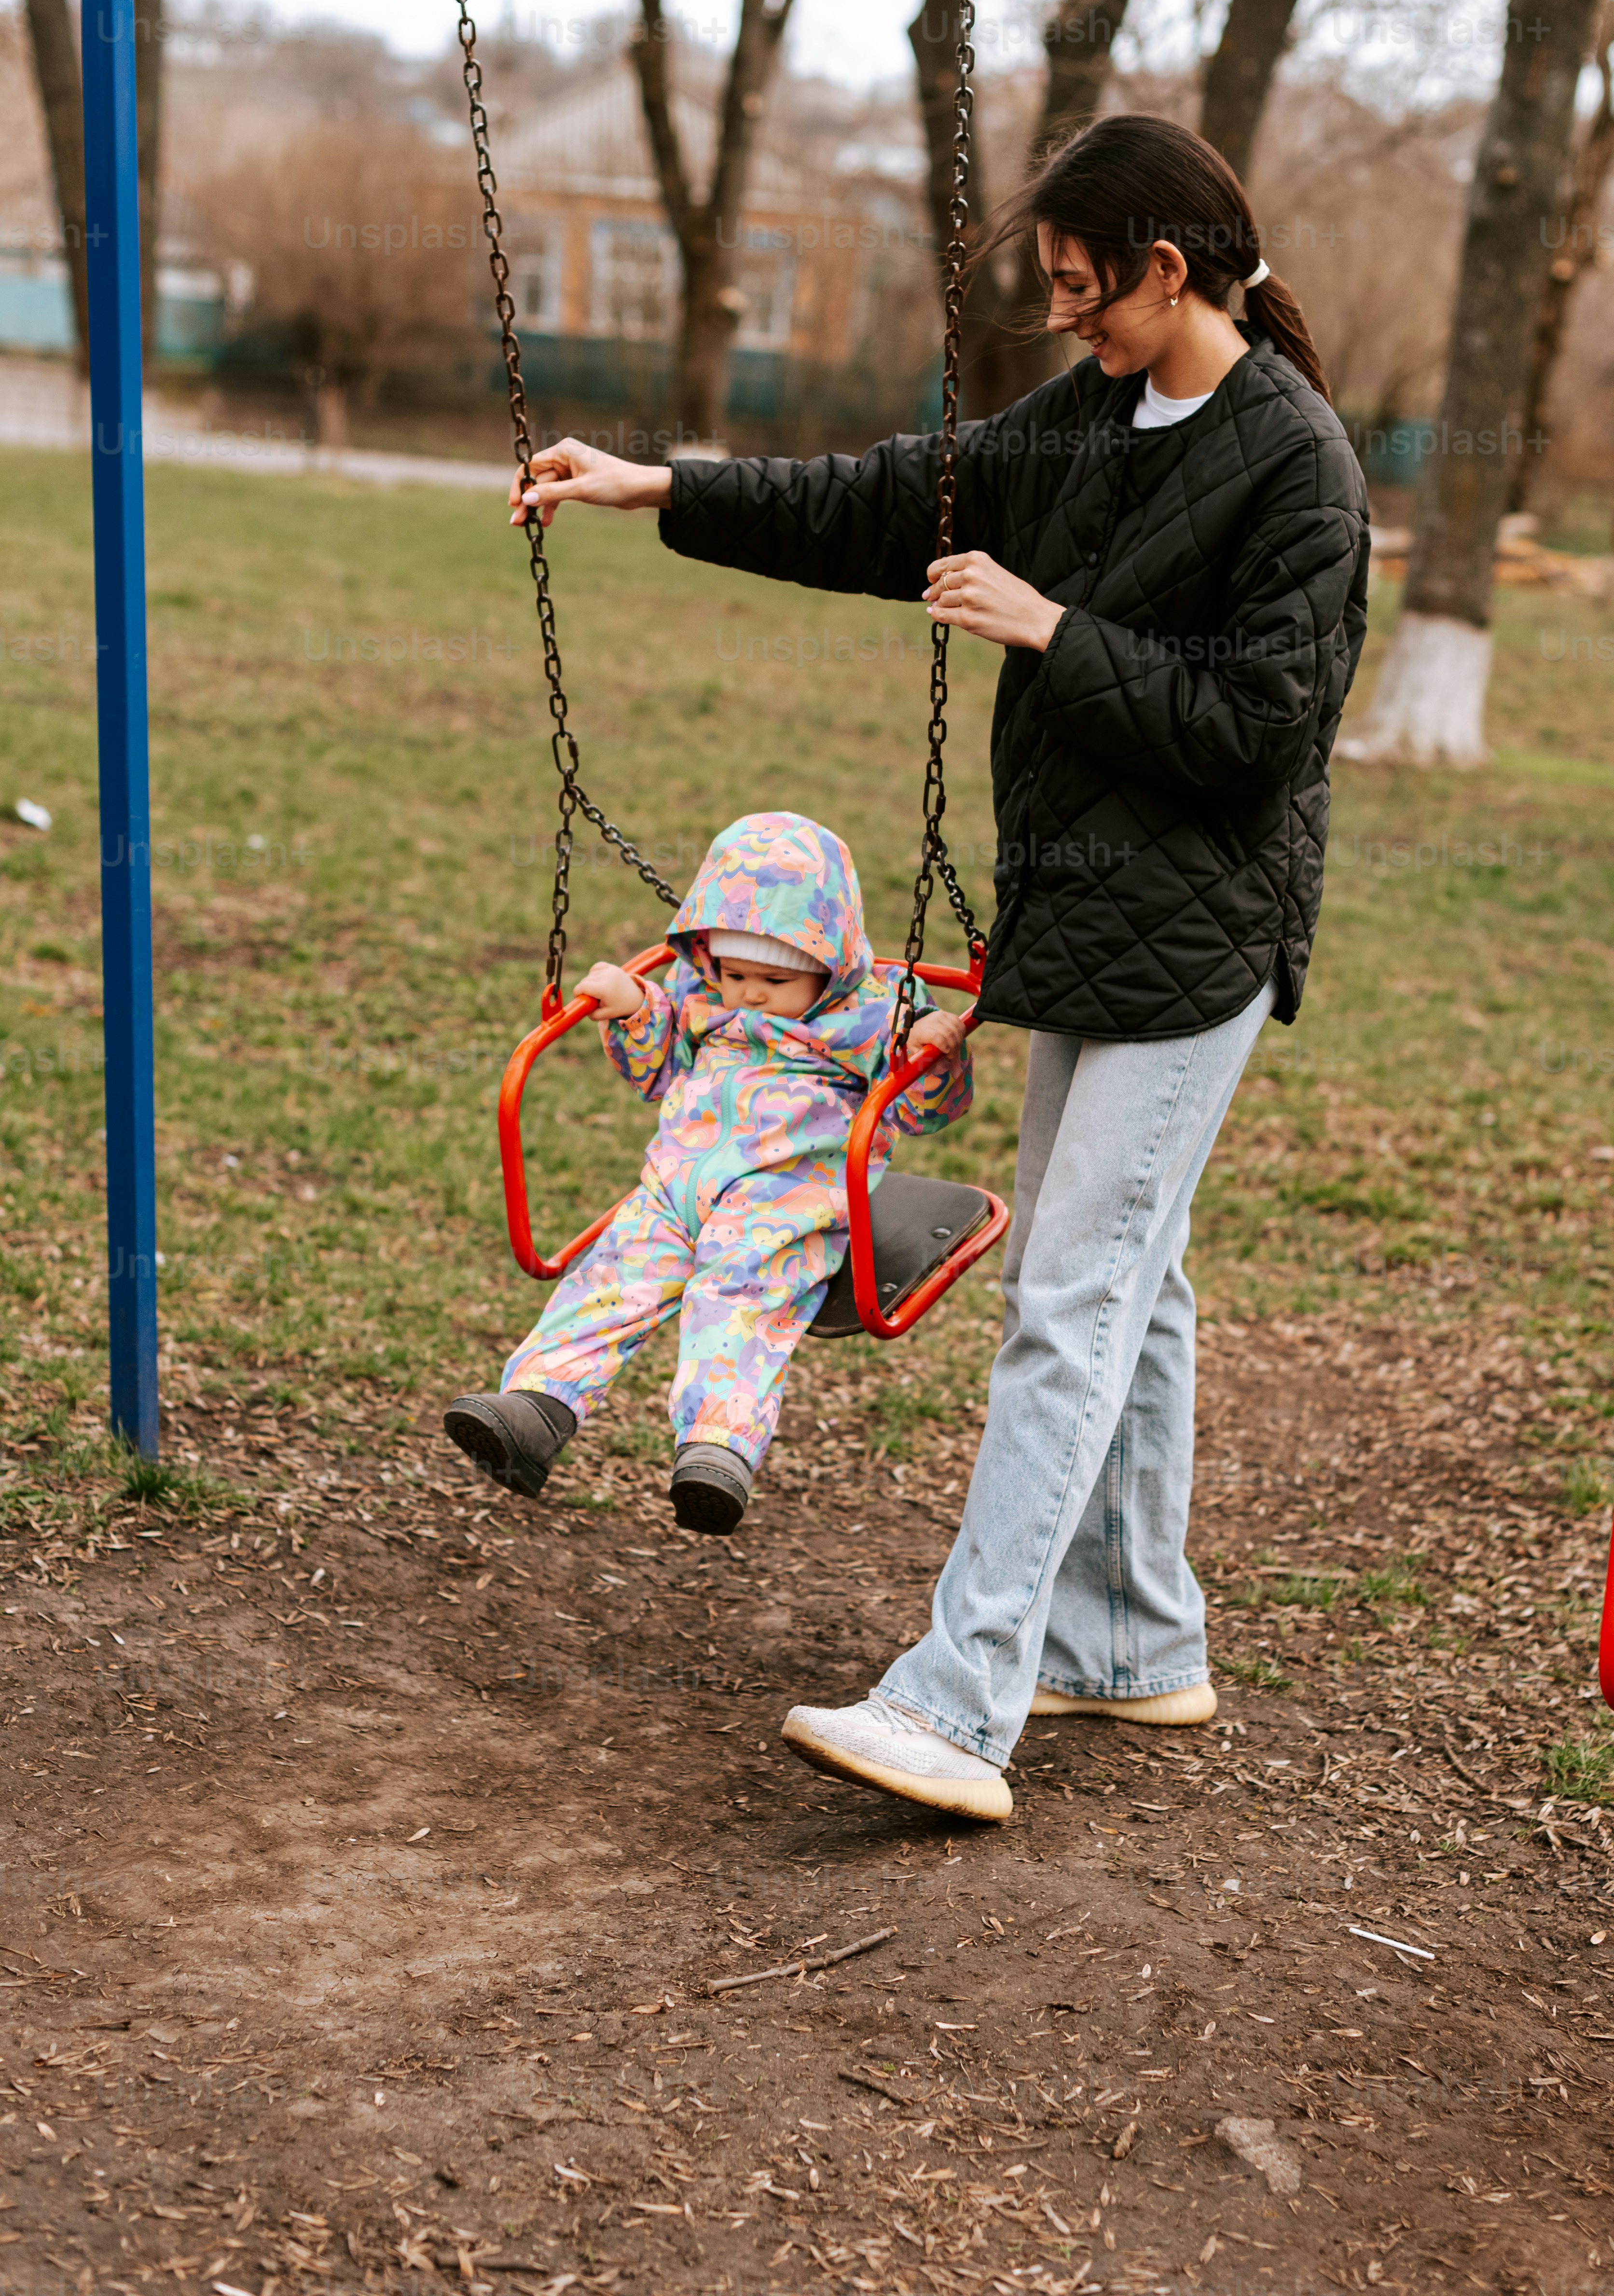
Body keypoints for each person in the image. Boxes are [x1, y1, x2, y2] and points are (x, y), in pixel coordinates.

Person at [501, 113, 1368, 1823]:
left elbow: (1265, 729)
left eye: (1082, 291)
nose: (1067, 323)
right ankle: (1132, 1639)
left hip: (1198, 941)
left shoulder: (1295, 462)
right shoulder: (1103, 414)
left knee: (1068, 1302)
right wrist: (659, 485)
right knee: (1134, 1282)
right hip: (1090, 929)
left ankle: (965, 1701)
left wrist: (1057, 629)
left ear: (1165, 270)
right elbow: (899, 490)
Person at [444, 811, 970, 1536]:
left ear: (831, 964)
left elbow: (919, 1112)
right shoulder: (704, 998)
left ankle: (717, 1450)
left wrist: (931, 1053)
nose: (750, 994)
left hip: (784, 1202)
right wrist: (631, 1013)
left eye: (774, 979)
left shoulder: (872, 1020)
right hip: (676, 1187)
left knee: (737, 1298)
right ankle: (535, 1409)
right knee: (609, 1282)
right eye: (734, 974)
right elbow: (659, 1072)